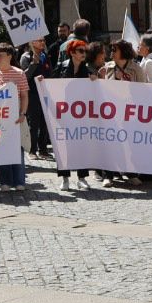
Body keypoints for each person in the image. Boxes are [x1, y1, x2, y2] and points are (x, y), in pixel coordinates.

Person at [0, 43, 29, 191]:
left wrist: (23, 113)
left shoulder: (19, 73)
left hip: (16, 116)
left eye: (0, 55)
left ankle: (19, 181)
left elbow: (24, 95)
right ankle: (5, 181)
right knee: (2, 148)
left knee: (18, 148)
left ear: (9, 56)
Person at [54, 40, 94, 191]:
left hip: (80, 114)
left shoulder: (87, 69)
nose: (84, 54)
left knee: (81, 145)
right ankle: (65, 178)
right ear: (72, 53)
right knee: (63, 145)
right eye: (80, 51)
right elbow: (51, 83)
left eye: (85, 51)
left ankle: (82, 178)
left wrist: (94, 80)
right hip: (64, 112)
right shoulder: (61, 66)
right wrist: (41, 80)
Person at [23, 38, 52, 158]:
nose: (43, 42)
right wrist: (33, 64)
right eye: (39, 40)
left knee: (45, 122)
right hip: (32, 94)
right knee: (34, 123)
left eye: (44, 40)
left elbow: (50, 73)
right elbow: (24, 76)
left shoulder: (45, 56)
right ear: (32, 42)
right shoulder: (26, 57)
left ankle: (43, 149)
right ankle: (32, 150)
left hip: (45, 93)